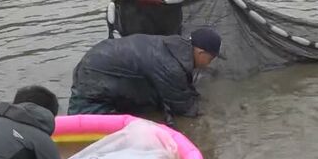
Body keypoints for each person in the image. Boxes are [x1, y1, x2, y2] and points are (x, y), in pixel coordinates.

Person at [67, 27, 223, 127]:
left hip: (97, 60)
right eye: (211, 58)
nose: (209, 64)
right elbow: (185, 108)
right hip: (94, 76)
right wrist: (216, 114)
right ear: (200, 53)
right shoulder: (172, 67)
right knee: (87, 127)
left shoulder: (173, 45)